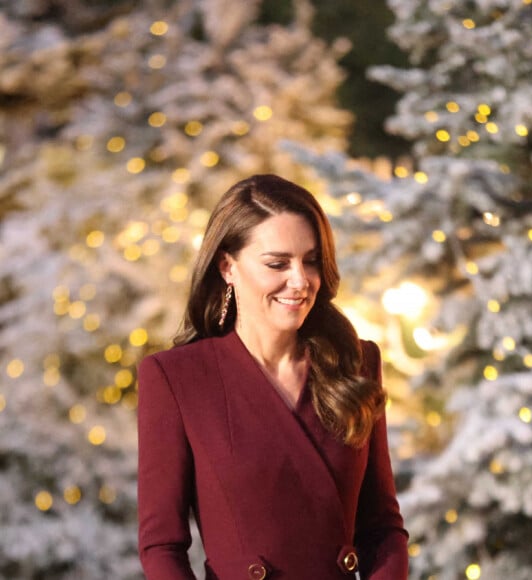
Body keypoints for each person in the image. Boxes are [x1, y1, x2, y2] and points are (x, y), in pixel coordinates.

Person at [137, 174, 409, 579]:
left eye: (311, 260)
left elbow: (383, 528)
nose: (300, 281)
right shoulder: (176, 378)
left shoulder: (355, 362)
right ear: (228, 266)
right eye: (277, 263)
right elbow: (162, 546)